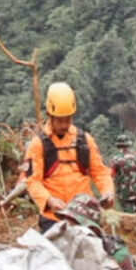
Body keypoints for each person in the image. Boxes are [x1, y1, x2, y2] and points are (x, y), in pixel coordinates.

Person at [25, 82, 114, 232]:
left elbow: (100, 172)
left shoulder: (84, 140)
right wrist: (49, 200)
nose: (64, 125)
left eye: (68, 119)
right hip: (54, 218)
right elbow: (33, 181)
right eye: (60, 120)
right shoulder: (38, 145)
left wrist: (107, 191)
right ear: (50, 115)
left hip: (84, 216)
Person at [110, 134, 136, 213]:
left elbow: (112, 176)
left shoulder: (116, 159)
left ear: (118, 146)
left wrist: (113, 192)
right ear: (128, 145)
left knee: (128, 214)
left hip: (124, 193)